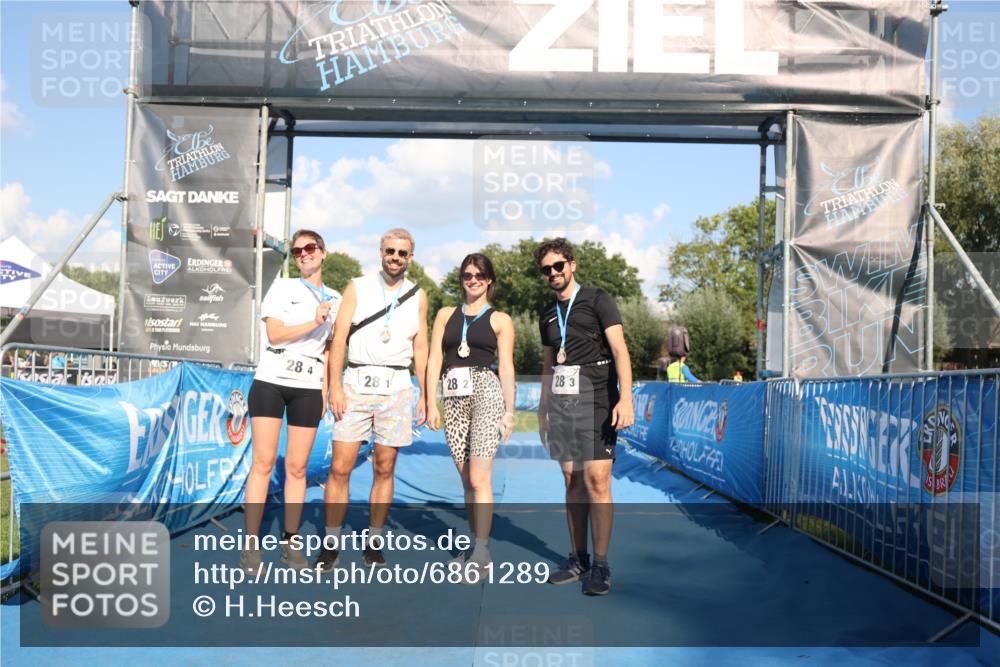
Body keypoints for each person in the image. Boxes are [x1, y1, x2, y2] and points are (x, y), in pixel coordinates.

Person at [318, 228, 428, 571]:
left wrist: (425, 393)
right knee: (340, 467)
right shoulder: (358, 287)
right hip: (356, 382)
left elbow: (421, 347)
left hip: (396, 385)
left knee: (385, 467)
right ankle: (331, 542)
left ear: (410, 257)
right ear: (380, 252)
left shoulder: (418, 295)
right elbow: (338, 341)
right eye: (390, 251)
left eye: (402, 253)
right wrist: (334, 386)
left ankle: (374, 541)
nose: (395, 258)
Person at [535, 238, 634, 596]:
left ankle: (602, 566)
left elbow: (621, 351)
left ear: (572, 264)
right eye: (546, 269)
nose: (553, 273)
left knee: (597, 481)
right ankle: (579, 558)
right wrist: (544, 409)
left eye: (558, 265)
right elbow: (549, 364)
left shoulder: (597, 299)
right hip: (562, 402)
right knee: (572, 481)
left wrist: (626, 399)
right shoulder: (546, 312)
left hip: (597, 397)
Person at [241, 229, 341, 572]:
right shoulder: (284, 287)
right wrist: (312, 320)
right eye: (297, 251)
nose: (303, 254)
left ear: (324, 253)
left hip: (308, 386)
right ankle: (251, 545)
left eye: (310, 248)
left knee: (297, 468)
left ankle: (291, 542)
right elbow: (275, 333)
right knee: (264, 463)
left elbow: (330, 349)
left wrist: (328, 389)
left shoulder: (336, 298)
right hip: (271, 380)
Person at [426, 253, 516, 576]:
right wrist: (429, 401)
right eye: (467, 275)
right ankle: (474, 541)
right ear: (461, 279)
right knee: (466, 481)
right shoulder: (445, 315)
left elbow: (505, 366)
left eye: (479, 275)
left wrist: (509, 411)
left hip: (486, 391)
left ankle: (481, 550)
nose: (473, 280)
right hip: (453, 395)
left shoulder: (500, 320)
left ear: (489, 280)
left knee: (480, 478)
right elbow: (434, 358)